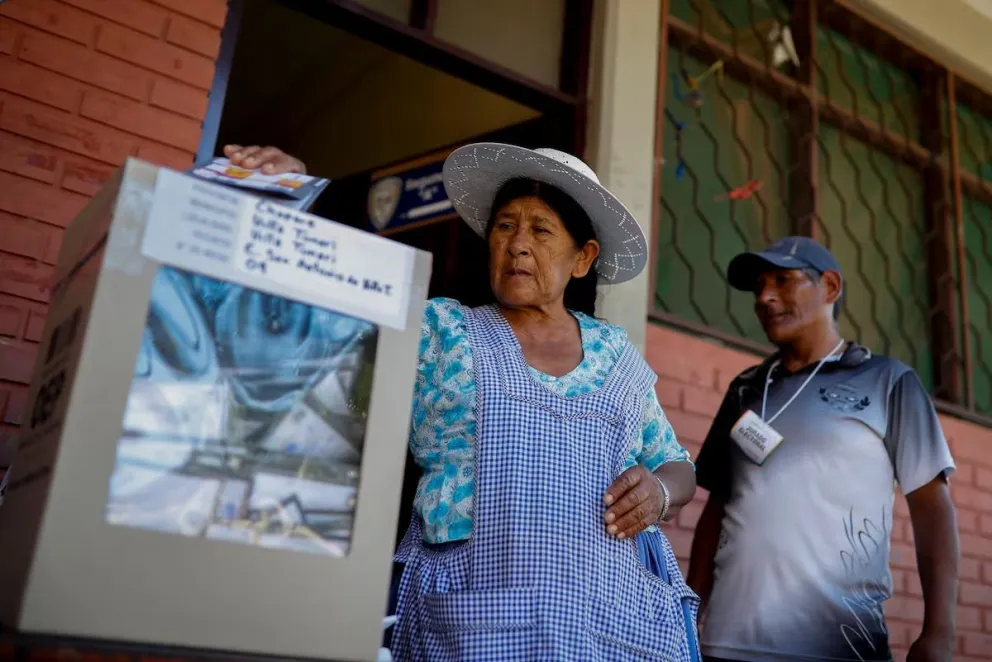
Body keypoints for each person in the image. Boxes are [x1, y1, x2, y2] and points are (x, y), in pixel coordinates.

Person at [223, 143, 702, 660]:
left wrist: (658, 491)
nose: (518, 245)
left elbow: (677, 466)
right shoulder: (442, 330)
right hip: (472, 620)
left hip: (611, 624)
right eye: (505, 226)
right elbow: (326, 354)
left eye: (541, 230)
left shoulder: (616, 352)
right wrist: (292, 204)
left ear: (582, 257)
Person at [687, 237, 959, 662]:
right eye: (758, 285)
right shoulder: (745, 389)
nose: (764, 297)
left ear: (830, 287)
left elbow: (931, 508)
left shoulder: (888, 381)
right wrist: (688, 611)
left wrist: (939, 633)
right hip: (725, 643)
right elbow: (717, 507)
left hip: (839, 645)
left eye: (783, 280)